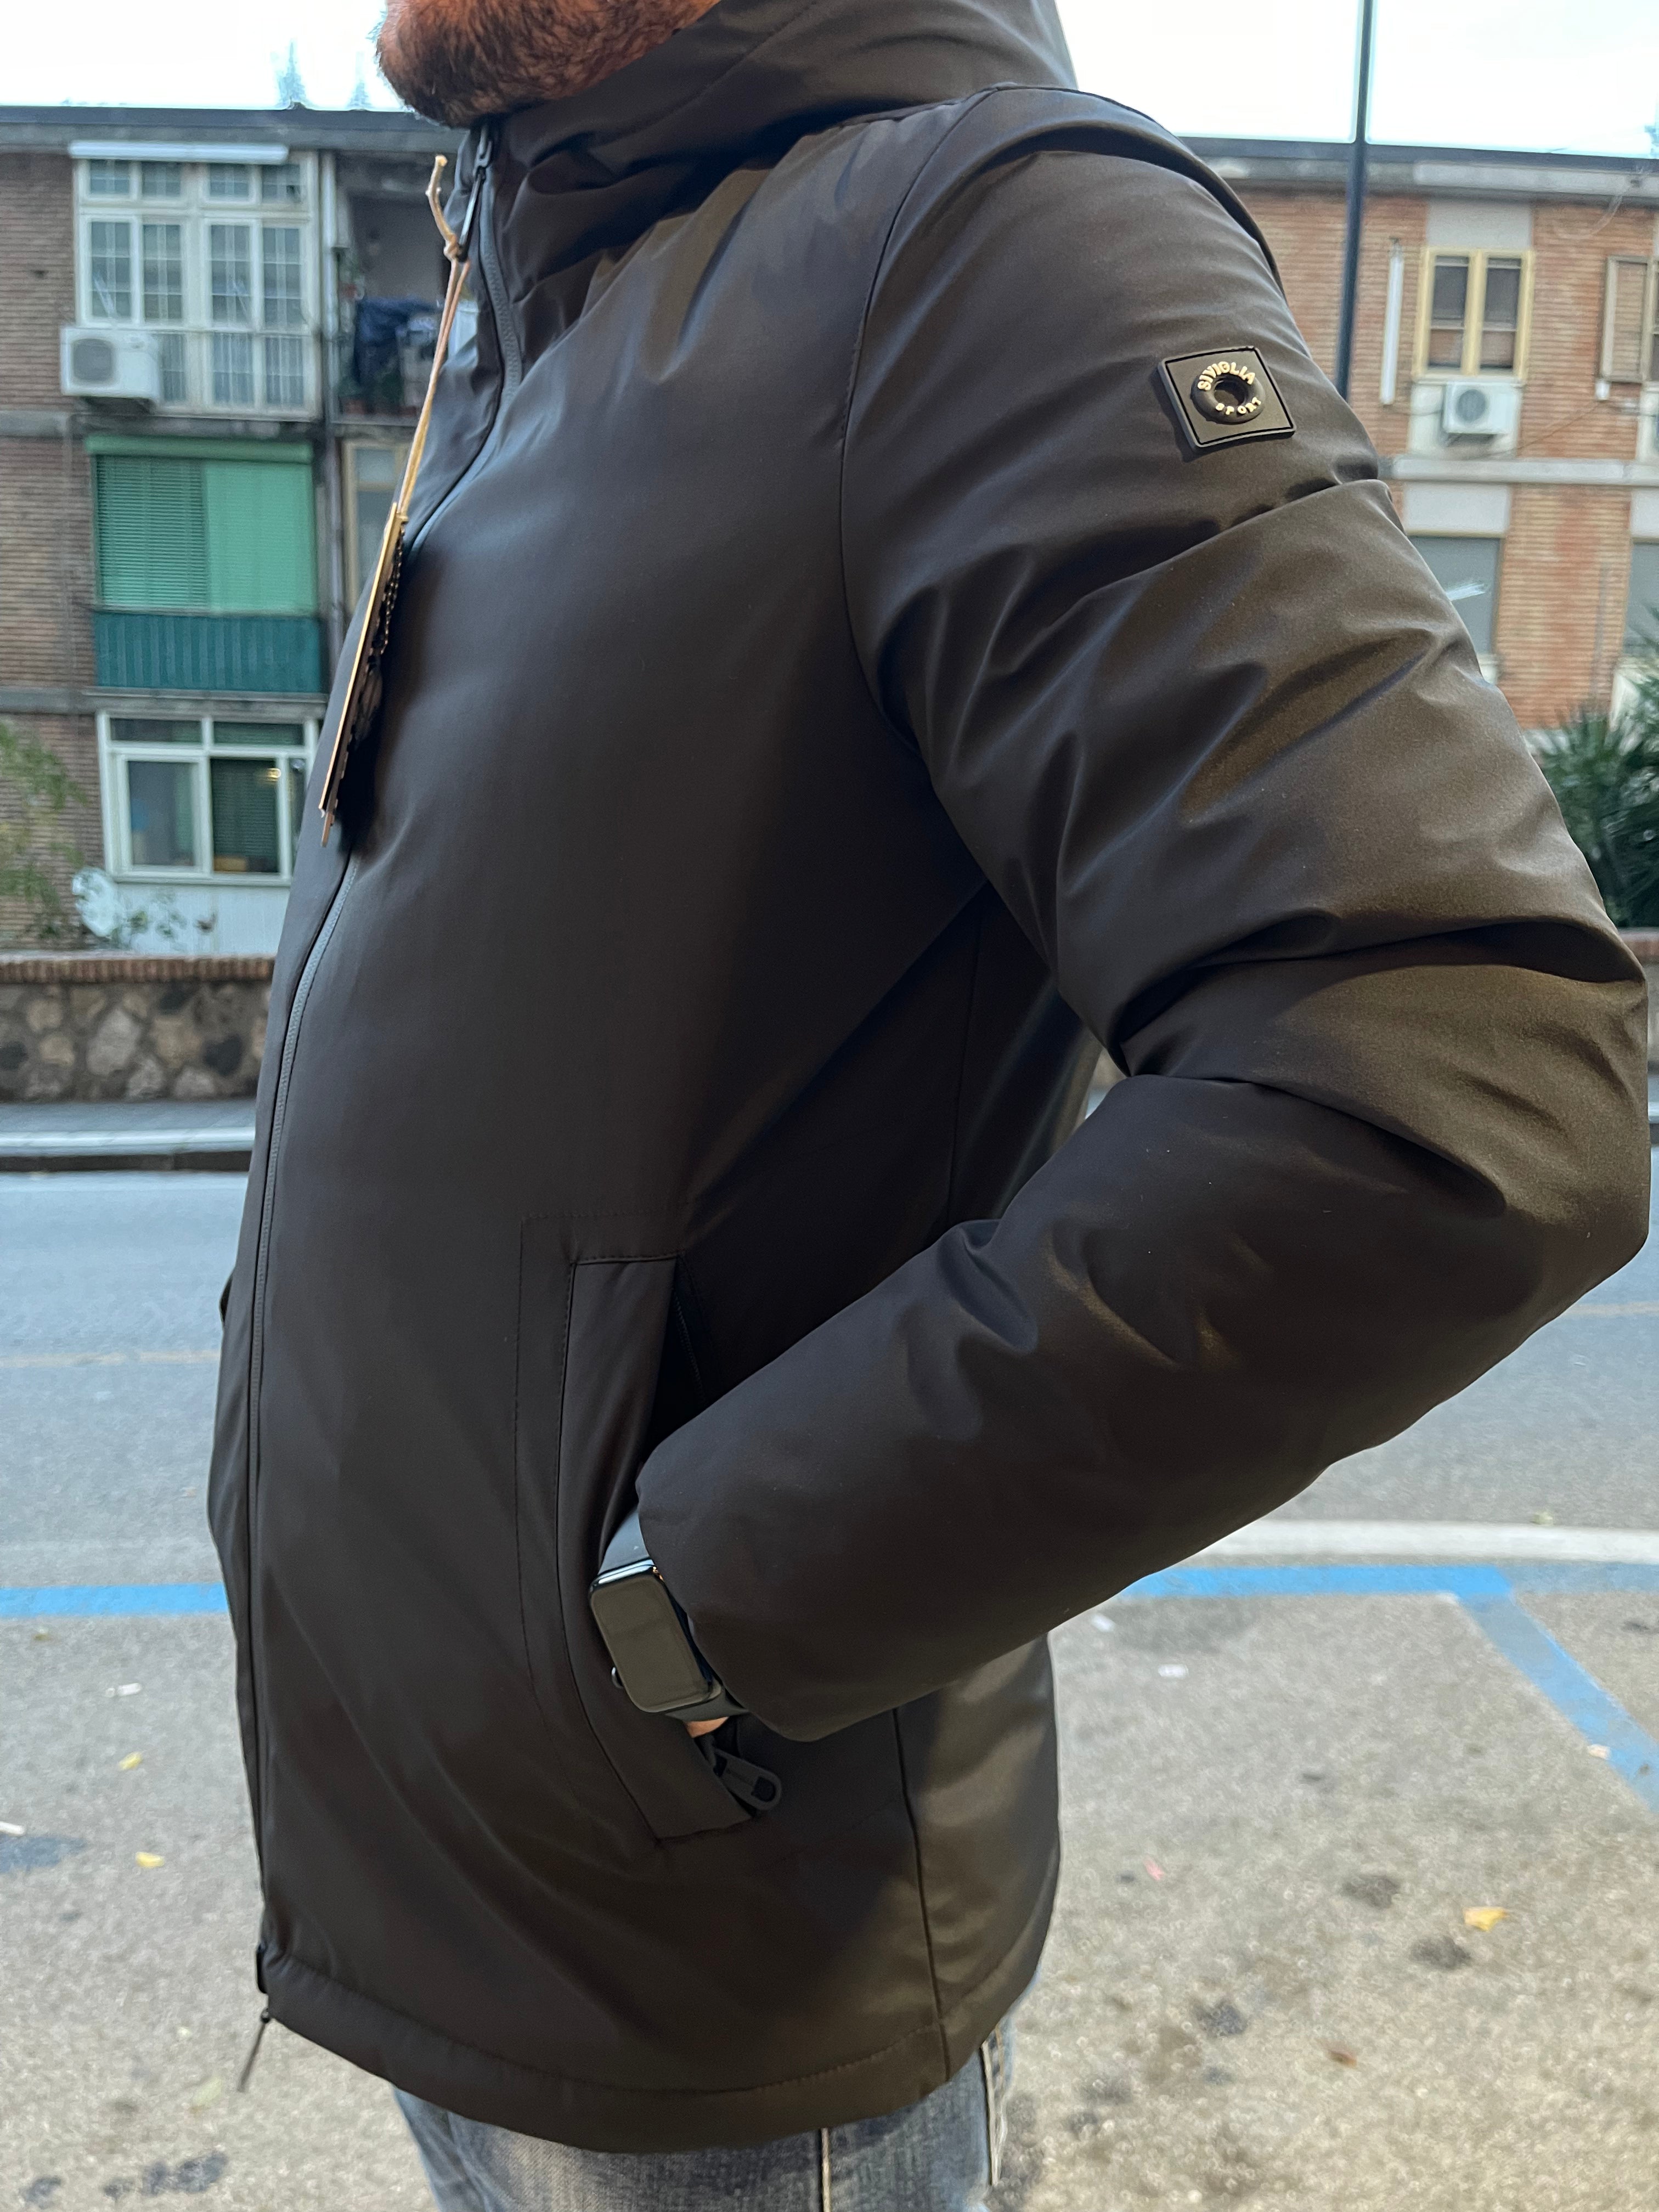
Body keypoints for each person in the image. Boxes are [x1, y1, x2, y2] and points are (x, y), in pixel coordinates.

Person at [207, 1, 1650, 2205]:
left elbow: (1451, 1067)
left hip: (696, 1971)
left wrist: (685, 1610)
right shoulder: (541, 325)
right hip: (457, 1892)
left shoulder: (981, 246)